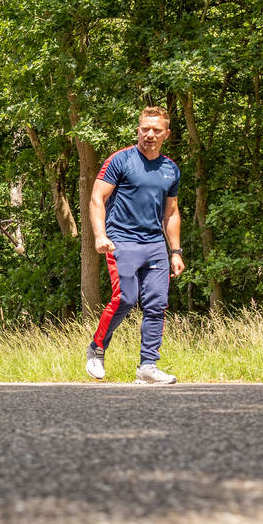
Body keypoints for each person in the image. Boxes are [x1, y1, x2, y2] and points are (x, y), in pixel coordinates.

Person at [85, 106, 184, 384]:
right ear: (138, 130)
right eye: (145, 129)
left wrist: (175, 251)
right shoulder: (120, 160)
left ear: (166, 134)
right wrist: (100, 235)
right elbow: (96, 199)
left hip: (154, 244)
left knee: (157, 303)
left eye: (156, 130)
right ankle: (97, 348)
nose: (149, 134)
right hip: (122, 241)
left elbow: (171, 212)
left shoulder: (170, 169)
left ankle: (147, 366)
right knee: (125, 298)